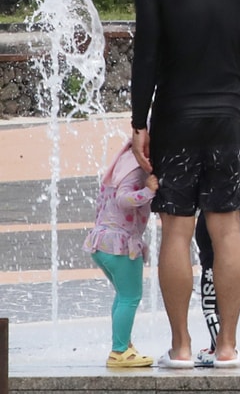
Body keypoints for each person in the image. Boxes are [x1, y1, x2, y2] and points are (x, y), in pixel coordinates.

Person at [128, 0, 240, 370]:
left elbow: (145, 57)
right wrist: (232, 100)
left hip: (175, 119)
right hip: (227, 117)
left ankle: (181, 348)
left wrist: (139, 123)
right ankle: (227, 347)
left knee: (176, 229)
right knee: (226, 228)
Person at [85, 139, 159, 369]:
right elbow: (123, 199)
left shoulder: (123, 163)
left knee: (122, 296)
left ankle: (124, 345)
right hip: (120, 244)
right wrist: (149, 191)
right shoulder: (136, 170)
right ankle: (118, 352)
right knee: (130, 297)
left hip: (102, 242)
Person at [192, 212, 240, 367]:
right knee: (213, 304)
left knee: (212, 302)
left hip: (207, 226)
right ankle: (219, 347)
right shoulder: (233, 199)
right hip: (216, 238)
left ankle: (216, 346)